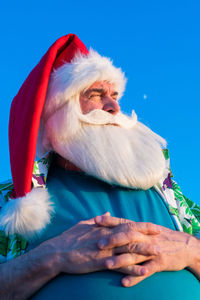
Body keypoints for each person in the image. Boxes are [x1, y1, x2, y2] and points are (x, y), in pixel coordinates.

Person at [0, 34, 200, 299]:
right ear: (58, 112)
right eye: (96, 94)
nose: (114, 106)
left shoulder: (173, 200)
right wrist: (52, 255)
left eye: (115, 95)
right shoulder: (9, 203)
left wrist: (192, 250)